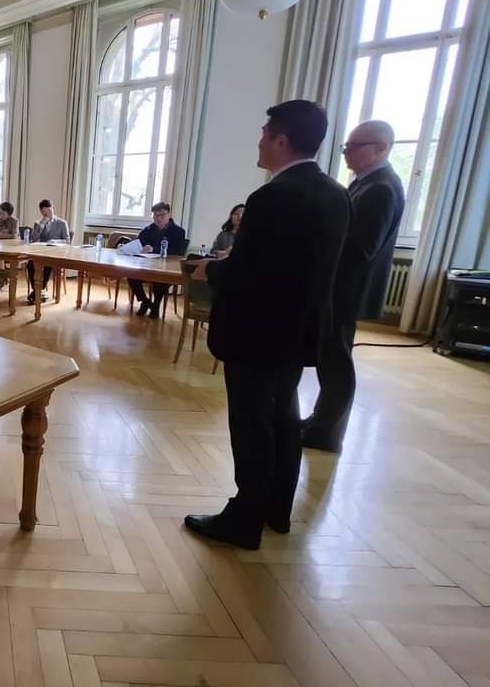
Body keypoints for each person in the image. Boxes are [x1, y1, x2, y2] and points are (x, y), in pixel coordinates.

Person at [183, 100, 350, 551]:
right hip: (297, 334)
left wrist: (208, 272)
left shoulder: (271, 196)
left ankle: (243, 519)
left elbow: (251, 271)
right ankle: (277, 508)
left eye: (263, 134)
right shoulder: (336, 194)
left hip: (257, 334)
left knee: (252, 423)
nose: (258, 141)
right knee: (283, 417)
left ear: (281, 140)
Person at [302, 120, 405, 454]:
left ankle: (327, 433)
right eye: (346, 146)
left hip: (346, 289)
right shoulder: (367, 183)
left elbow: (361, 248)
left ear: (381, 148)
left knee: (337, 361)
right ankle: (321, 420)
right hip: (342, 288)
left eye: (353, 146)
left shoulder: (381, 188)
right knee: (331, 358)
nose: (346, 152)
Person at [129, 202, 188, 319]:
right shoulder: (148, 229)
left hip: (167, 266)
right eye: (156, 215)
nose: (159, 218)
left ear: (169, 215)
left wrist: (154, 249)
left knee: (160, 280)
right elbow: (139, 242)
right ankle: (145, 301)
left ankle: (155, 305)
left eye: (162, 215)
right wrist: (130, 247)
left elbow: (178, 251)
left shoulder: (179, 231)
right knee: (131, 275)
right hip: (147, 265)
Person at [26, 199, 70, 304]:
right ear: (41, 212)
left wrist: (56, 241)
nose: (48, 214)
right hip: (41, 252)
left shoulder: (62, 223)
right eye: (45, 212)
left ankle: (39, 290)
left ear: (52, 208)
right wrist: (41, 225)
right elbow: (33, 240)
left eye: (49, 211)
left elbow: (68, 241)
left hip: (55, 253)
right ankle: (37, 290)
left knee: (47, 265)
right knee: (31, 264)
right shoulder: (38, 223)